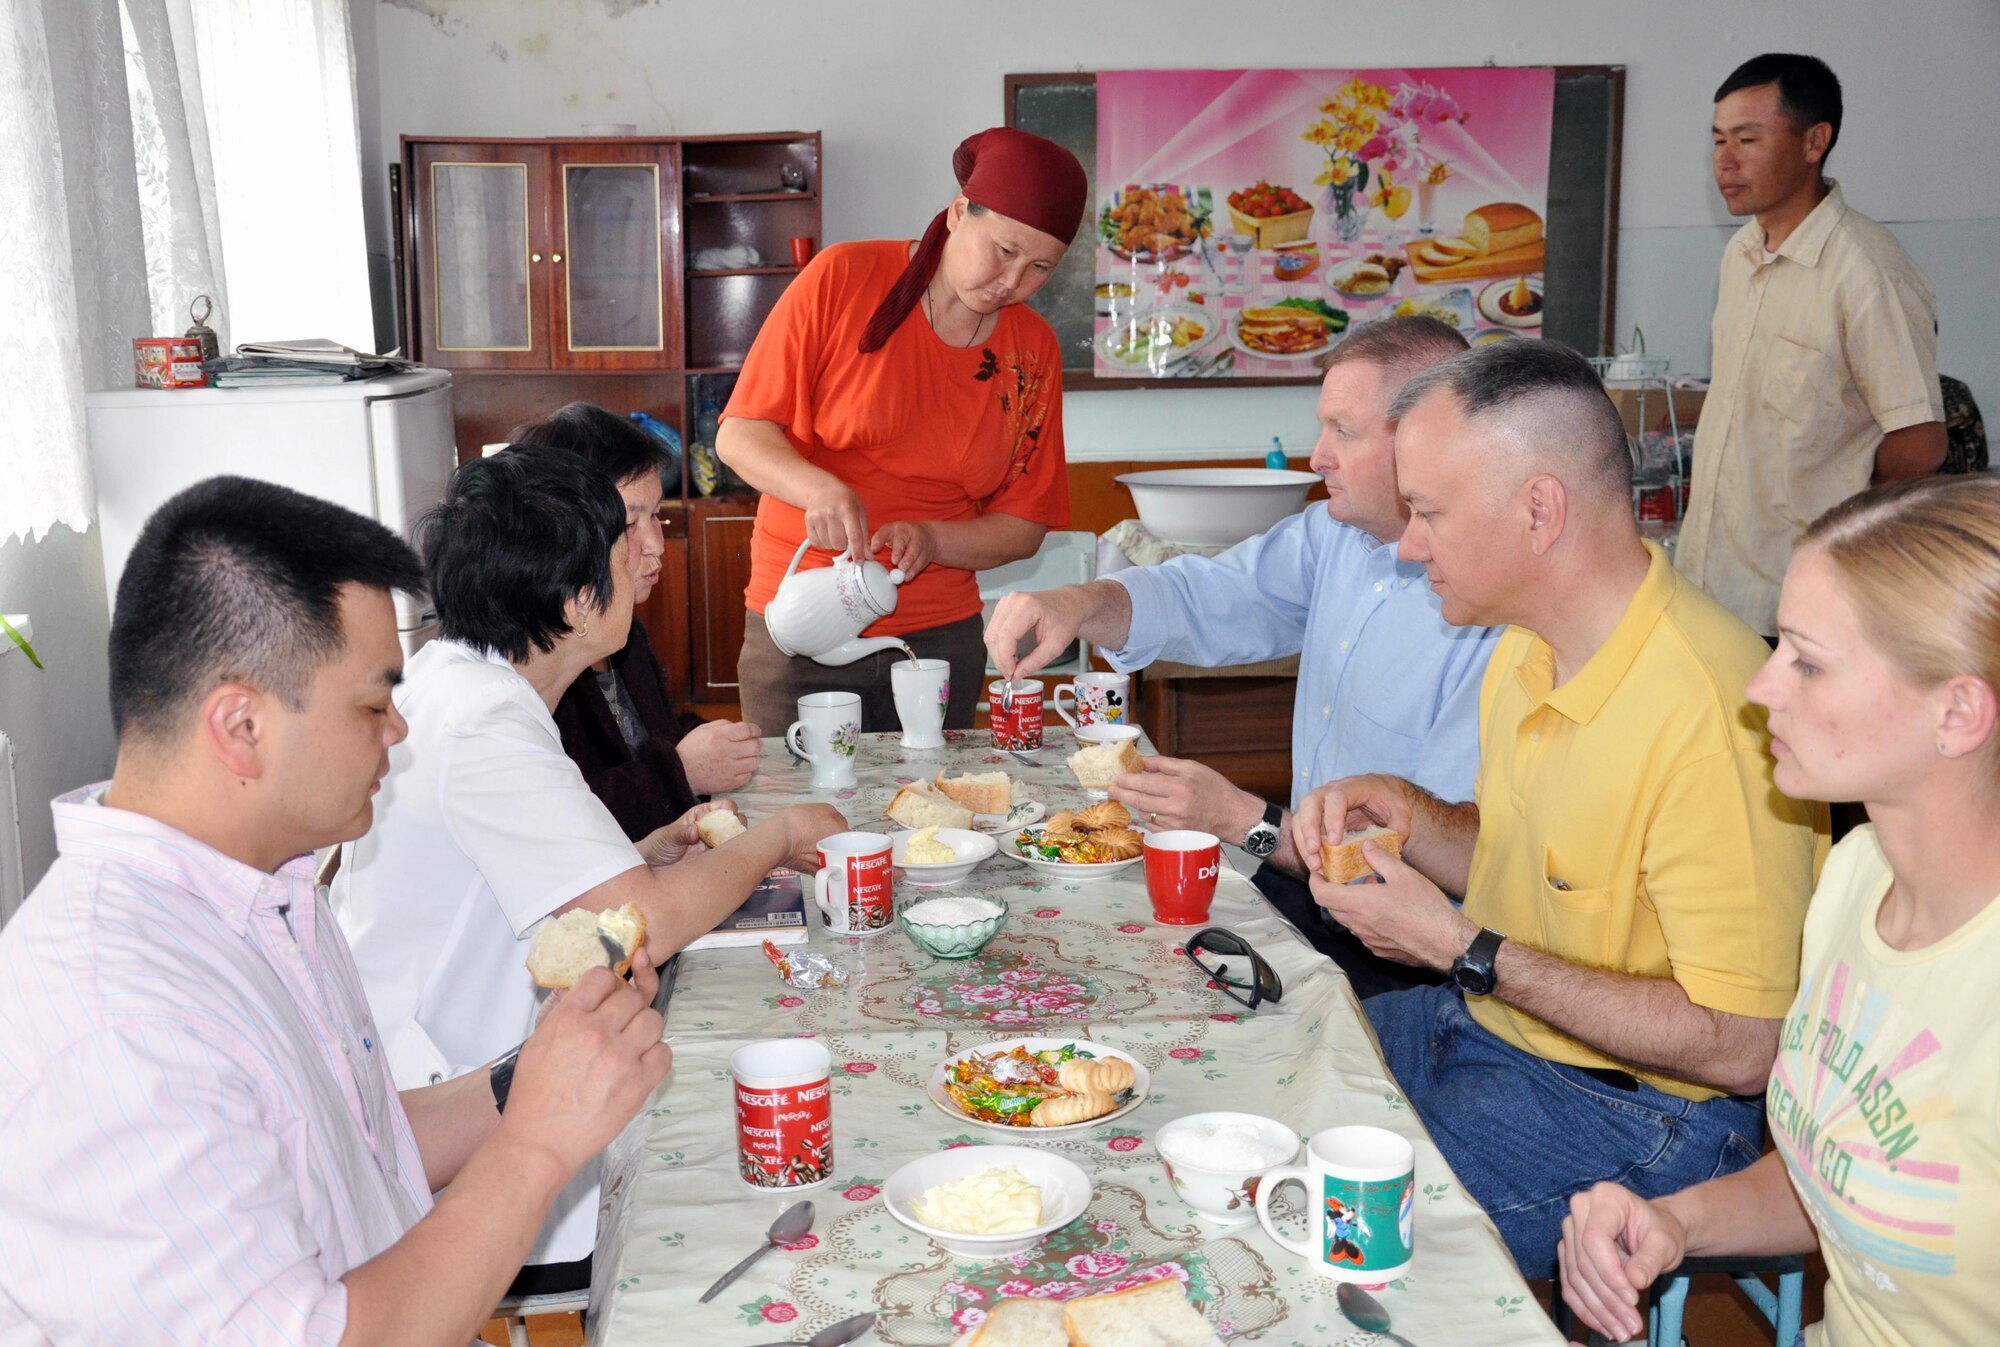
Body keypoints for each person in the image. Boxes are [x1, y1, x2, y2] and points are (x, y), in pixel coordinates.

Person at [0, 477, 669, 1344]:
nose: (398, 728)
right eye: (370, 702)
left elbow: (360, 1147)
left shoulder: (267, 890)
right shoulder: (115, 1022)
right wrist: (537, 1144)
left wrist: (535, 1072)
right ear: (240, 726)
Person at [1290, 340, 1827, 1277]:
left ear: (1540, 509)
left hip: (1653, 1110)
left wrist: (1461, 948)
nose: (1409, 544)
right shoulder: (1527, 643)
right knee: (1254, 1087)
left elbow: (1744, 1046)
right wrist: (1410, 816)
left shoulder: (1718, 710)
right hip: (1491, 1032)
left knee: (1330, 1238)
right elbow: (1524, 854)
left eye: (1428, 512)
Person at [334, 446, 844, 1293]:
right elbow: (646, 921)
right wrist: (780, 834)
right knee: (738, 1168)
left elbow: (524, 885)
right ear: (575, 601)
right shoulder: (485, 723)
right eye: (622, 548)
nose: (645, 559)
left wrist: (639, 855)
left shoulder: (460, 679)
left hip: (455, 1072)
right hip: (462, 1123)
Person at [1559, 475, 2000, 1347]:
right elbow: (1845, 1168)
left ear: (1955, 711)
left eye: (1806, 657)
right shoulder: (1854, 877)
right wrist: (1677, 1221)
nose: (1761, 686)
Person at [984, 317, 1500, 998]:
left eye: (1341, 431)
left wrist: (1244, 820)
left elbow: (1447, 861)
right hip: (1310, 900)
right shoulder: (1336, 537)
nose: (1317, 456)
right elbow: (1206, 596)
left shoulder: (1490, 612)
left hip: (1414, 962)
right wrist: (1079, 602)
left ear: (1424, 441)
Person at [719, 126, 1087, 734]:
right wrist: (820, 490)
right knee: (795, 816)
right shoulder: (844, 278)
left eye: (1039, 268)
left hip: (940, 635)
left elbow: (1024, 526)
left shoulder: (1033, 352)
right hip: (808, 616)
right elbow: (741, 433)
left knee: (933, 819)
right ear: (960, 211)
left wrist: (934, 541)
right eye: (1004, 250)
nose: (1012, 282)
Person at [1676, 52, 1945, 638]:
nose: (1725, 161)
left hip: (1794, 602)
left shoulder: (1868, 270)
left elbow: (1919, 444)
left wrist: (1840, 503)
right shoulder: (1741, 254)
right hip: (1710, 586)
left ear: (1813, 141)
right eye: (1718, 139)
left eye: (1748, 139)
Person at [513, 402, 762, 837]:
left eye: (657, 515)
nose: (657, 545)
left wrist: (713, 743)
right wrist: (683, 770)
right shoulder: (537, 660)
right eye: (630, 523)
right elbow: (559, 823)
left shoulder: (622, 633)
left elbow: (649, 737)